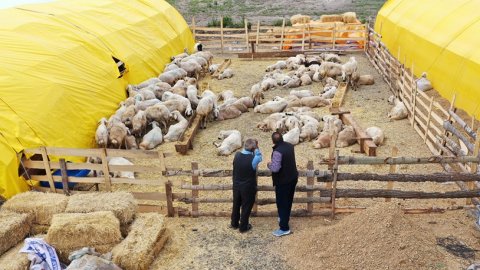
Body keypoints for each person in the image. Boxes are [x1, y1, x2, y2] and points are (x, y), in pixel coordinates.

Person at [267, 131, 298, 237]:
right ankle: (284, 217)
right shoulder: (290, 146)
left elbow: (275, 169)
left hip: (283, 181)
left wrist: (269, 164)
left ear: (273, 141)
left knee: (282, 202)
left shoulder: (277, 152)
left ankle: (284, 227)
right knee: (288, 200)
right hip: (292, 177)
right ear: (282, 138)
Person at [230, 138, 263, 233]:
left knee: (236, 204)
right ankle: (243, 226)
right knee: (246, 206)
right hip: (248, 187)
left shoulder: (237, 155)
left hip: (236, 185)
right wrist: (257, 148)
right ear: (253, 148)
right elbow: (260, 157)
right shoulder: (254, 159)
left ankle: (234, 223)